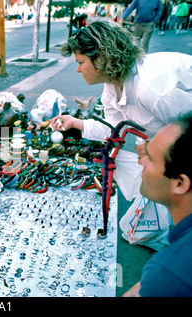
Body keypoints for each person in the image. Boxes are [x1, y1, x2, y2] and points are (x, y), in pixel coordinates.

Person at [52, 20, 192, 249]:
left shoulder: (153, 89)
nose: (78, 69)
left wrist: (150, 148)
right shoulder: (112, 85)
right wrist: (75, 122)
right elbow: (112, 129)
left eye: (80, 63)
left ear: (101, 59)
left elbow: (187, 134)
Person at [123, 112, 192, 297]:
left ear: (180, 183)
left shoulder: (169, 271)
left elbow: (170, 276)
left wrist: (159, 276)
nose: (142, 162)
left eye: (151, 159)